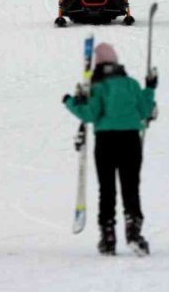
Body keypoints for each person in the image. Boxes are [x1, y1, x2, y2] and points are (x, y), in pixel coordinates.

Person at [62, 43, 156, 256]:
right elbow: (144, 110)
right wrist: (150, 88)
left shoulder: (99, 87)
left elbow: (90, 115)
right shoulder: (131, 84)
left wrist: (70, 102)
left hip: (106, 140)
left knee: (107, 189)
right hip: (131, 139)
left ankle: (108, 236)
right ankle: (134, 232)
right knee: (130, 186)